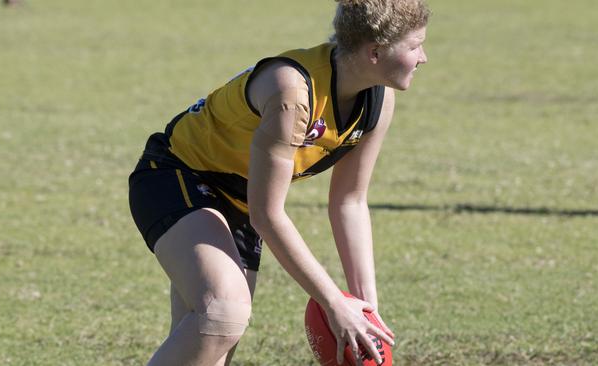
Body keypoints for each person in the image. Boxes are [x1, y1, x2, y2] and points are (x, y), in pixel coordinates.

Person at [128, 0, 429, 364]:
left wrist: (366, 311)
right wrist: (332, 302)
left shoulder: (379, 101)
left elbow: (349, 201)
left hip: (240, 199)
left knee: (213, 342)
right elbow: (268, 215)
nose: (423, 57)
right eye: (414, 46)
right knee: (223, 313)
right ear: (375, 52)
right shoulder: (292, 90)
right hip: (176, 173)